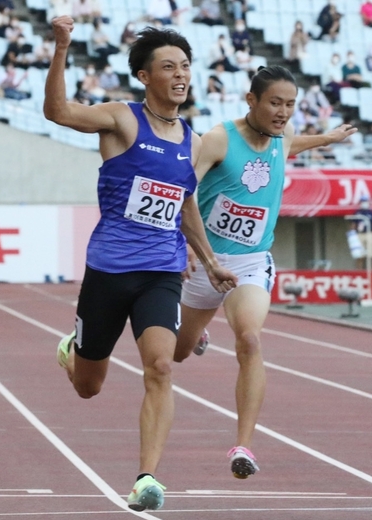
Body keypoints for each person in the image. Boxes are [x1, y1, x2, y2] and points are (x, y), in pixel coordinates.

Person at [44, 16, 238, 512]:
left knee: (159, 367)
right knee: (89, 387)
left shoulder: (192, 142)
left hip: (161, 271)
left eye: (186, 67)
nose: (180, 75)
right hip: (109, 271)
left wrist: (208, 260)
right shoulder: (121, 119)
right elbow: (58, 111)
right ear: (144, 76)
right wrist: (62, 47)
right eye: (168, 66)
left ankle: (147, 478)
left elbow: (186, 204)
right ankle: (75, 349)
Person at [174, 65, 356, 480]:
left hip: (251, 262)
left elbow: (292, 144)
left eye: (290, 105)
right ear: (251, 100)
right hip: (206, 260)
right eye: (275, 102)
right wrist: (183, 244)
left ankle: (244, 445)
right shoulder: (218, 139)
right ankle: (197, 332)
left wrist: (328, 138)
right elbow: (184, 190)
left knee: (250, 339)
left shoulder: (283, 136)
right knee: (177, 353)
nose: (283, 112)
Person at [350, 195, 372, 269]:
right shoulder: (357, 212)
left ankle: (371, 273)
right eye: (362, 201)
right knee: (359, 255)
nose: (364, 203)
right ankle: (359, 273)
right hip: (360, 234)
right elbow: (353, 224)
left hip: (370, 234)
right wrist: (352, 236)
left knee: (370, 255)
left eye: (365, 201)